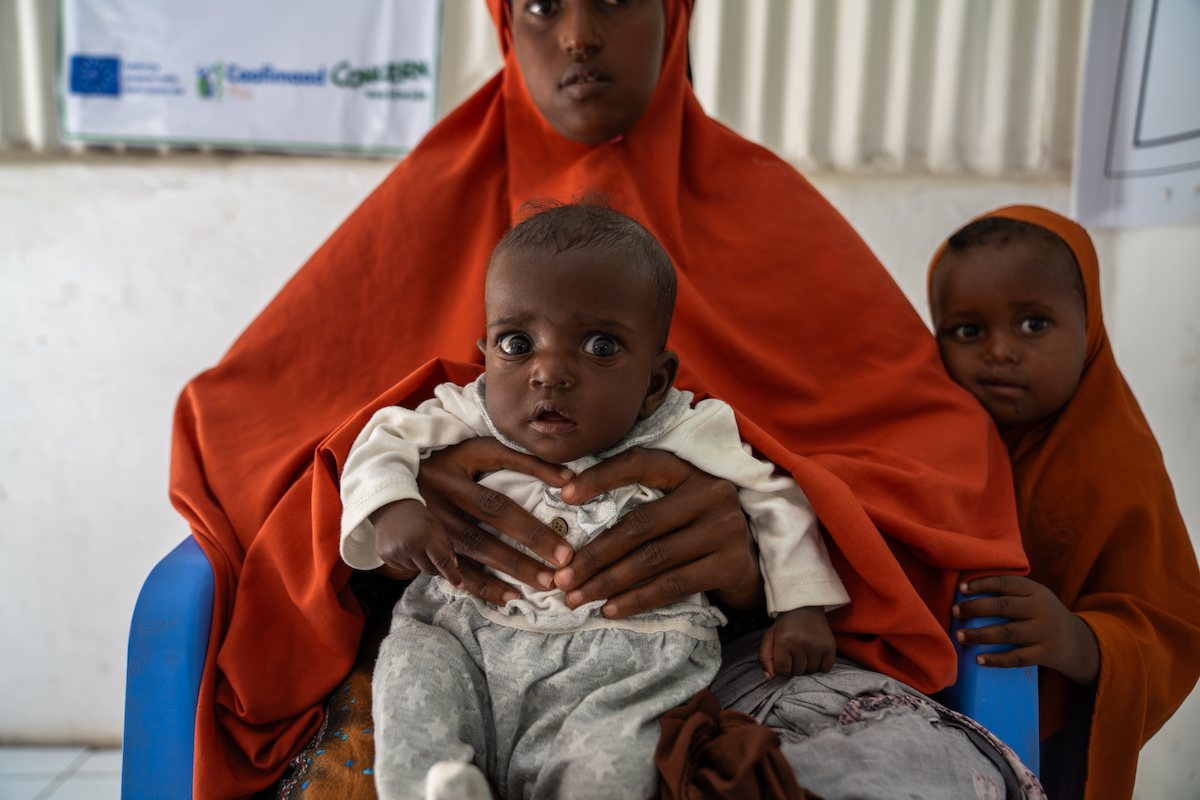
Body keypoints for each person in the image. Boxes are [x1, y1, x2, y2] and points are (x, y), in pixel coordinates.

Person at [169, 2, 1029, 798]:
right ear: (506, 25)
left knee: (910, 777)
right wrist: (392, 501)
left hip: (699, 653)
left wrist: (759, 554)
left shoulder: (774, 215)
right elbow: (241, 427)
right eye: (542, 5)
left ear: (674, 15)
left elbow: (940, 455)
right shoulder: (425, 202)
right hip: (465, 636)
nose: (578, 34)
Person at [340, 201, 849, 799]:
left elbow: (771, 494)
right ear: (486, 352)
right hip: (465, 630)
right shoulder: (467, 410)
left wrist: (801, 607)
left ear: (655, 382)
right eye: (517, 343)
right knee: (410, 673)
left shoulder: (683, 426)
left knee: (608, 762)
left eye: (600, 346)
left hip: (629, 653)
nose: (548, 372)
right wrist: (391, 505)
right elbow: (383, 438)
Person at [927, 205, 1200, 800]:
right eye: (968, 332)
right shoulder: (924, 444)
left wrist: (1079, 639)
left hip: (1053, 742)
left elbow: (1175, 629)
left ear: (1090, 325)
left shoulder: (1119, 464)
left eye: (1034, 324)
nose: (1000, 351)